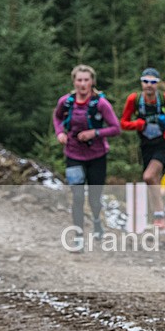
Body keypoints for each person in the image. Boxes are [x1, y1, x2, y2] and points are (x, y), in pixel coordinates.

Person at [53, 64, 121, 249]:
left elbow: (116, 128)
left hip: (97, 156)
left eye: (86, 80)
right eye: (79, 80)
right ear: (74, 81)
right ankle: (78, 236)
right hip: (73, 154)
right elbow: (57, 117)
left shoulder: (101, 104)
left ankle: (97, 221)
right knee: (77, 197)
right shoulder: (66, 102)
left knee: (93, 198)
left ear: (92, 82)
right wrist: (60, 132)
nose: (82, 84)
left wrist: (94, 133)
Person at [120, 67, 165, 230]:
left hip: (163, 144)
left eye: (153, 82)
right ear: (141, 83)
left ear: (157, 84)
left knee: (149, 176)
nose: (149, 85)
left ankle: (159, 214)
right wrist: (137, 124)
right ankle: (161, 219)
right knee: (153, 181)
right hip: (146, 145)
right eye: (146, 81)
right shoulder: (134, 100)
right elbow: (123, 123)